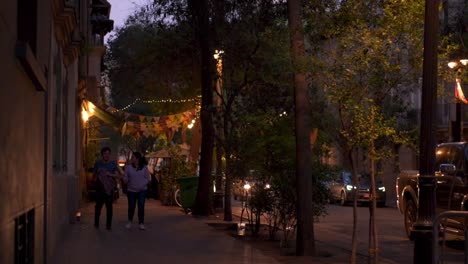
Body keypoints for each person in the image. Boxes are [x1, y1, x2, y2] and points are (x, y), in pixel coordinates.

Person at [93, 147, 119, 230]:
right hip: (100, 189)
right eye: (105, 154)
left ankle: (108, 225)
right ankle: (96, 223)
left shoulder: (113, 164)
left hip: (109, 190)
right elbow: (94, 176)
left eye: (108, 154)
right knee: (98, 207)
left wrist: (109, 174)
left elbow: (117, 175)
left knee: (109, 208)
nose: (107, 155)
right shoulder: (98, 163)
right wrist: (99, 174)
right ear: (102, 155)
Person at [123, 152, 150, 230]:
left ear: (137, 158)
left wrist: (142, 185)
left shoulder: (144, 168)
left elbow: (147, 179)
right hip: (131, 191)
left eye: (133, 157)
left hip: (142, 190)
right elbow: (125, 177)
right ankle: (129, 221)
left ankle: (141, 223)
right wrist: (125, 180)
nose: (132, 158)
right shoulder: (128, 167)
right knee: (131, 206)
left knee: (141, 206)